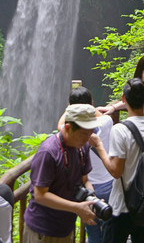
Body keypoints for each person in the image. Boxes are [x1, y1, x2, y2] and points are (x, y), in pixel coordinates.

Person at [23, 103, 102, 243]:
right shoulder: (48, 153)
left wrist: (92, 200)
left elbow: (85, 180)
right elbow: (40, 195)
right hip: (42, 231)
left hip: (66, 228)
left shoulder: (82, 147)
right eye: (84, 134)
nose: (88, 138)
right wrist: (77, 208)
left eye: (91, 133)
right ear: (68, 128)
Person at [89, 78, 144, 243]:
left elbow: (115, 171)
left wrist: (98, 145)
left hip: (122, 207)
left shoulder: (121, 130)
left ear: (123, 99)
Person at [58, 87, 113, 243]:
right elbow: (99, 116)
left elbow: (60, 125)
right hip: (109, 182)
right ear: (92, 104)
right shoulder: (107, 121)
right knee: (109, 225)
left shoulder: (72, 130)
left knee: (93, 228)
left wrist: (70, 109)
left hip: (87, 186)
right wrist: (92, 109)